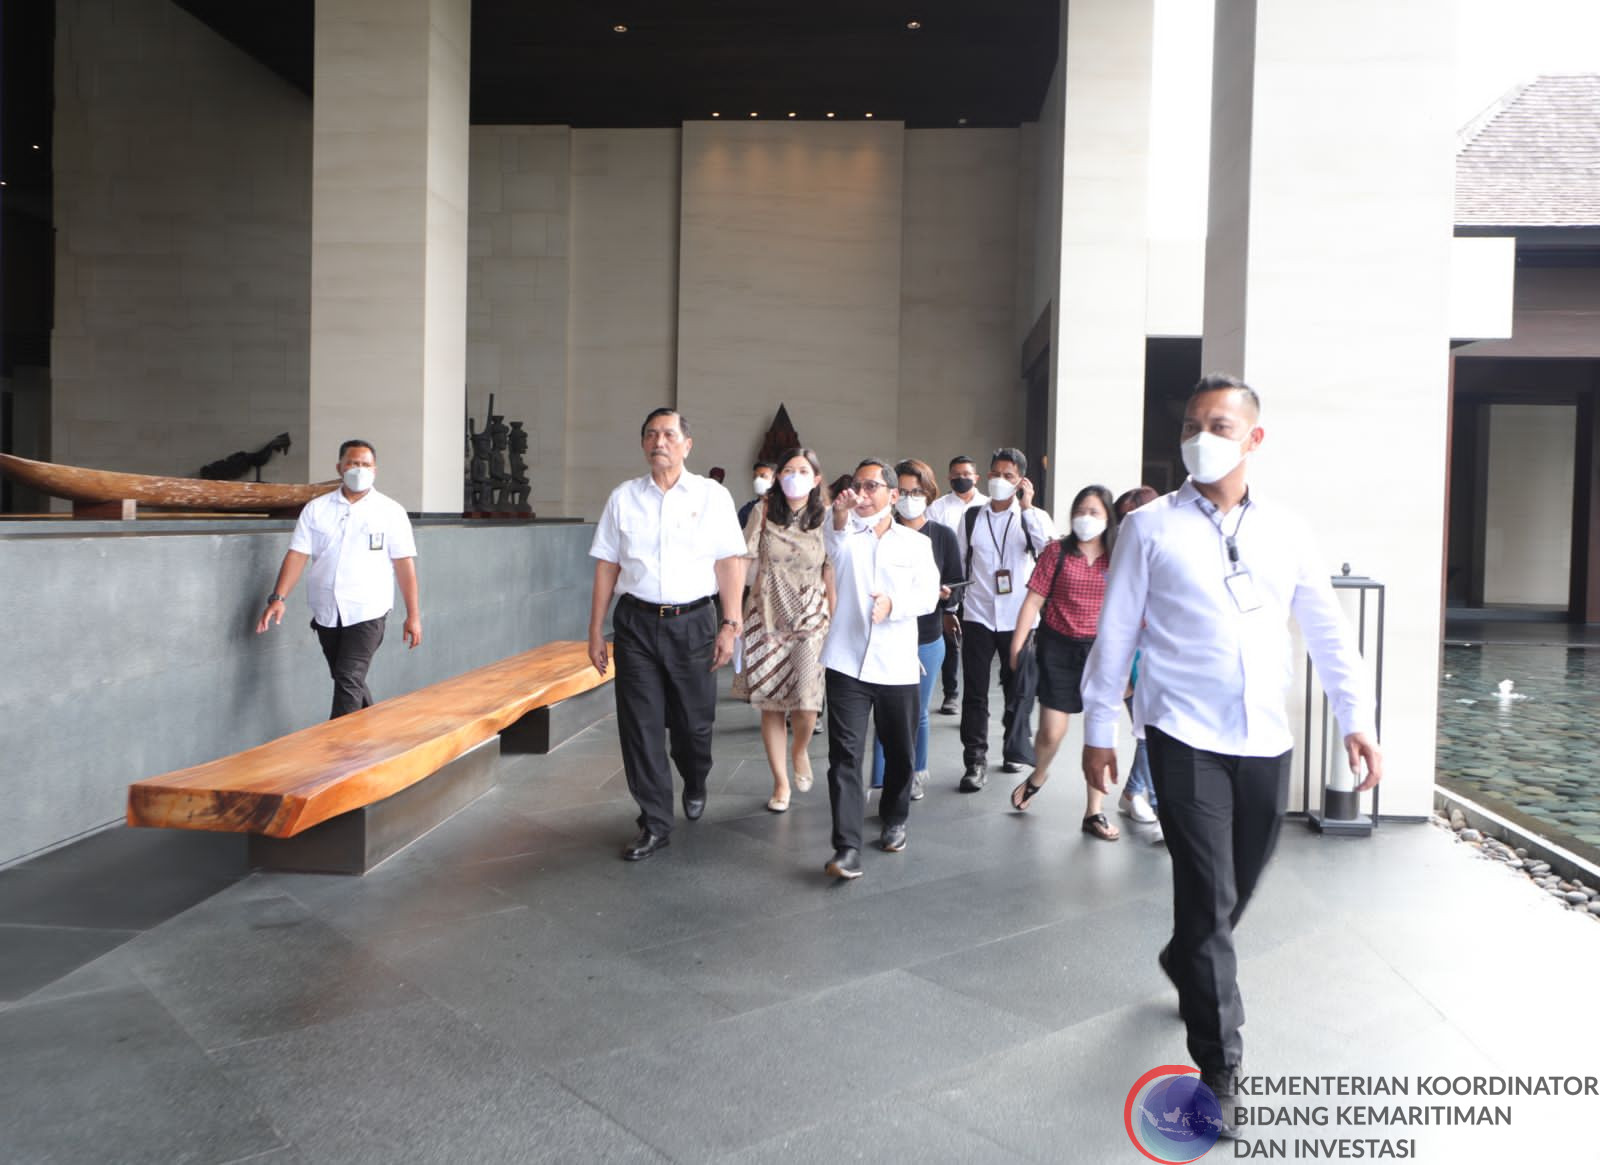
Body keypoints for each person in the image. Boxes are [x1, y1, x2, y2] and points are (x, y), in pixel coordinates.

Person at [1080, 374, 1382, 1134]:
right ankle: (1221, 1064)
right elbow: (1116, 632)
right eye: (1190, 423)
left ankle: (1188, 956)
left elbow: (1327, 631)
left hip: (1262, 739)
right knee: (1209, 893)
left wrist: (1357, 716)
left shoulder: (1287, 529)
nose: (1199, 435)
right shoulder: (1149, 529)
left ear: (1254, 437)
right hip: (1181, 734)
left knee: (1236, 886)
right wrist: (1096, 729)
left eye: (1217, 422)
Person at [588, 408, 747, 862]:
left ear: (687, 445)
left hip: (694, 621)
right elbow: (607, 566)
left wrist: (730, 624)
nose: (660, 441)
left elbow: (729, 562)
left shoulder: (711, 496)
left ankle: (695, 778)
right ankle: (655, 821)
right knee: (639, 728)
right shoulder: (623, 498)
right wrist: (595, 630)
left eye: (669, 434)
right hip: (635, 623)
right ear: (643, 444)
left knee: (694, 727)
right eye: (652, 434)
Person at [819, 458, 940, 879]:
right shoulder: (845, 534)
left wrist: (894, 606)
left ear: (892, 494)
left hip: (897, 666)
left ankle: (895, 816)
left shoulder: (915, 544)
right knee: (845, 757)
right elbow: (833, 543)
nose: (864, 494)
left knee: (900, 752)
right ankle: (846, 847)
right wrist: (838, 513)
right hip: (847, 663)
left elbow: (927, 597)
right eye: (859, 486)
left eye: (873, 487)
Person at [256, 439, 420, 719]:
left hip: (368, 611)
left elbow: (404, 565)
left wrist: (413, 614)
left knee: (347, 678)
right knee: (348, 680)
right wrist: (278, 598)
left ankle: (338, 755)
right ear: (339, 468)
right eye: (352, 464)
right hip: (327, 612)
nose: (359, 469)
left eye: (365, 465)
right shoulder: (316, 509)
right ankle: (374, 735)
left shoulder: (390, 511)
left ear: (375, 470)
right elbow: (297, 555)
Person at [1006, 485, 1121, 840]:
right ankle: (1039, 773)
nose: (1086, 518)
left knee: (1099, 732)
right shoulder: (1056, 552)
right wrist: (1017, 644)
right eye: (1080, 511)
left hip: (1101, 651)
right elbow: (1033, 602)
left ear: (1108, 518)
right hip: (1057, 649)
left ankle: (1094, 812)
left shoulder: (1118, 556)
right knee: (1051, 731)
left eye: (1094, 512)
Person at [735, 448, 834, 812]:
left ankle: (800, 750)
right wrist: (733, 615)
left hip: (810, 617)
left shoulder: (826, 517)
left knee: (808, 704)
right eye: (788, 470)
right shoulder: (763, 512)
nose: (794, 476)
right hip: (766, 616)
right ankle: (780, 784)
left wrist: (835, 618)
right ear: (778, 477)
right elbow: (743, 559)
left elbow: (832, 569)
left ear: (816, 478)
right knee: (771, 705)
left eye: (803, 470)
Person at [955, 447, 1054, 791]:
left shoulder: (1032, 517)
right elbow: (960, 563)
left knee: (1017, 689)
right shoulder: (971, 517)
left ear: (1021, 481)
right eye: (995, 474)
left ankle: (1014, 749)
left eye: (1008, 476)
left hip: (1018, 618)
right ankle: (975, 760)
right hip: (978, 613)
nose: (999, 480)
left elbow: (1047, 552)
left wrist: (1027, 508)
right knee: (975, 692)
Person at [870, 458, 964, 801]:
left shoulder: (941, 535)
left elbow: (955, 580)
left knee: (917, 712)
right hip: (886, 636)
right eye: (904, 491)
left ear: (928, 493)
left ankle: (916, 771)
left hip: (926, 635)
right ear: (893, 495)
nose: (910, 498)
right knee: (884, 714)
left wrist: (946, 594)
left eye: (917, 491)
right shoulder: (882, 532)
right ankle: (878, 780)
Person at [1113, 485, 1163, 843]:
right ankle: (1143, 796)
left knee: (1154, 733)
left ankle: (1136, 792)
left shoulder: (1161, 549)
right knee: (1151, 733)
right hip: (1136, 658)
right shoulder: (1125, 556)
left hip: (1161, 658)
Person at [926, 456, 985, 715]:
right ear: (949, 478)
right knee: (950, 637)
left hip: (979, 582)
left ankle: (975, 697)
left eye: (966, 473)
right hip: (949, 580)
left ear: (976, 477)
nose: (962, 478)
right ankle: (951, 693)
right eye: (956, 474)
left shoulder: (988, 505)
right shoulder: (938, 508)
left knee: (975, 641)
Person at [737, 459, 777, 528]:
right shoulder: (747, 510)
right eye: (755, 477)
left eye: (763, 476)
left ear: (774, 479)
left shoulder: (784, 508)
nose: (757, 480)